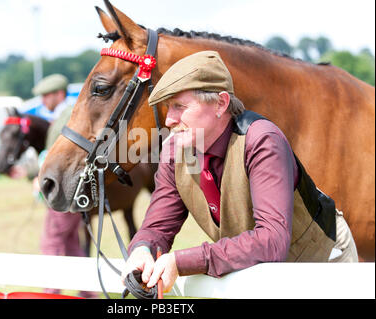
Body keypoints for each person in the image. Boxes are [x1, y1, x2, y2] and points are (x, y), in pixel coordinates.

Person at [121, 51, 358, 293]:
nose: (169, 120)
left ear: (221, 103)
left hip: (321, 261)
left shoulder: (262, 140)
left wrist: (181, 262)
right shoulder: (174, 150)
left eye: (179, 106)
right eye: (168, 107)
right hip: (253, 269)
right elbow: (158, 226)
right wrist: (142, 248)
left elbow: (272, 241)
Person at [32, 74, 98, 298]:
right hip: (75, 192)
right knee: (71, 244)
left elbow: (56, 158)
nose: (43, 101)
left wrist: (36, 175)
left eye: (46, 96)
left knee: (51, 241)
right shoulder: (70, 114)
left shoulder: (64, 118)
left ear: (59, 94)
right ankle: (88, 293)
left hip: (64, 191)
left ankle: (50, 293)